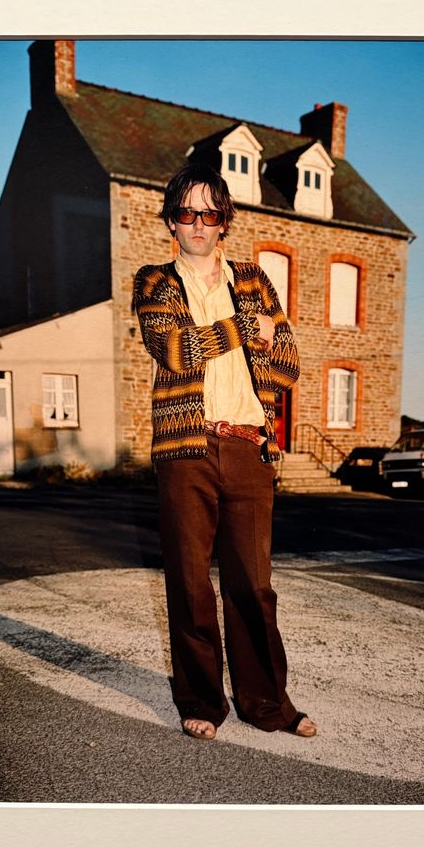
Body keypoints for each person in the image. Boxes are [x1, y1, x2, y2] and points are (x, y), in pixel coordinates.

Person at [133, 163, 317, 741]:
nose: (197, 223)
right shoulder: (155, 282)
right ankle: (202, 702)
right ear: (171, 220)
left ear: (224, 222)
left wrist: (259, 337)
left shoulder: (255, 279)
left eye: (209, 213)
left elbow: (287, 365)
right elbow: (175, 350)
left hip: (248, 445)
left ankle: (267, 705)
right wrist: (244, 328)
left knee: (254, 586)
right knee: (190, 583)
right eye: (186, 212)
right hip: (185, 449)